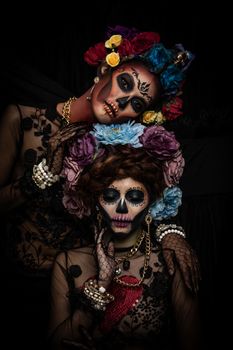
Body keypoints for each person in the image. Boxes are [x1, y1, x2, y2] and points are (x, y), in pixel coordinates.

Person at [0, 25, 198, 348]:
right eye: (124, 83)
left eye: (136, 102)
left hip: (80, 290)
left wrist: (171, 234)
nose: (123, 101)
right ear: (106, 68)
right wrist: (41, 176)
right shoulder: (21, 119)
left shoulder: (116, 150)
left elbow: (145, 196)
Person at [49, 122, 201, 350]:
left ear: (151, 202)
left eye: (134, 197)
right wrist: (102, 283)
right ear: (95, 202)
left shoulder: (171, 262)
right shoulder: (68, 262)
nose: (121, 208)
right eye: (110, 196)